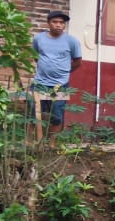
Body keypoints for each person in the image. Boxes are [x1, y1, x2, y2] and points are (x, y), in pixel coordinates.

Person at [30, 9, 82, 139]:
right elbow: (36, 56)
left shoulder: (72, 41)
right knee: (32, 114)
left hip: (60, 84)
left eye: (61, 22)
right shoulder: (38, 38)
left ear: (64, 25)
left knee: (57, 115)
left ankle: (52, 145)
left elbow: (77, 61)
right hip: (39, 83)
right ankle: (31, 142)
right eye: (55, 22)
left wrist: (64, 72)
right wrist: (45, 67)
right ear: (48, 23)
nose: (58, 25)